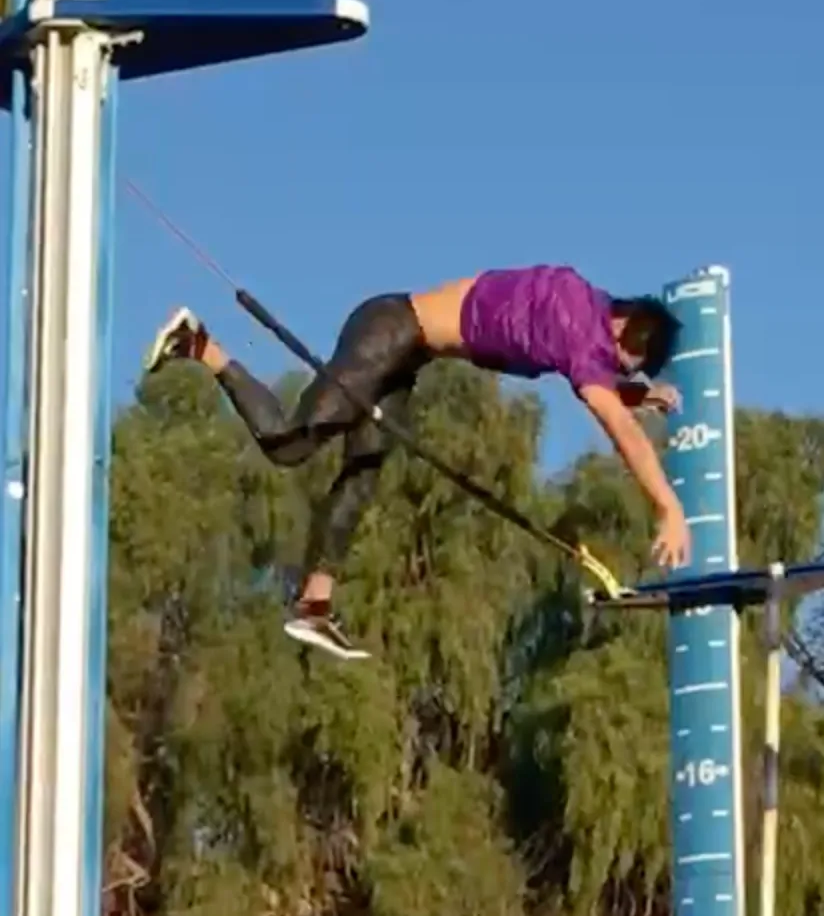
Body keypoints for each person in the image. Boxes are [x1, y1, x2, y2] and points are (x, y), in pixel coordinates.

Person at [144, 265, 689, 660]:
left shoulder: (587, 309)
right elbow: (617, 425)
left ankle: (314, 605)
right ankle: (199, 345)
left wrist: (636, 394)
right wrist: (668, 507)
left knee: (365, 468)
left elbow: (597, 380)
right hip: (389, 330)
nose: (619, 371)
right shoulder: (577, 324)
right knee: (289, 444)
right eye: (627, 364)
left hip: (407, 354)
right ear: (629, 331)